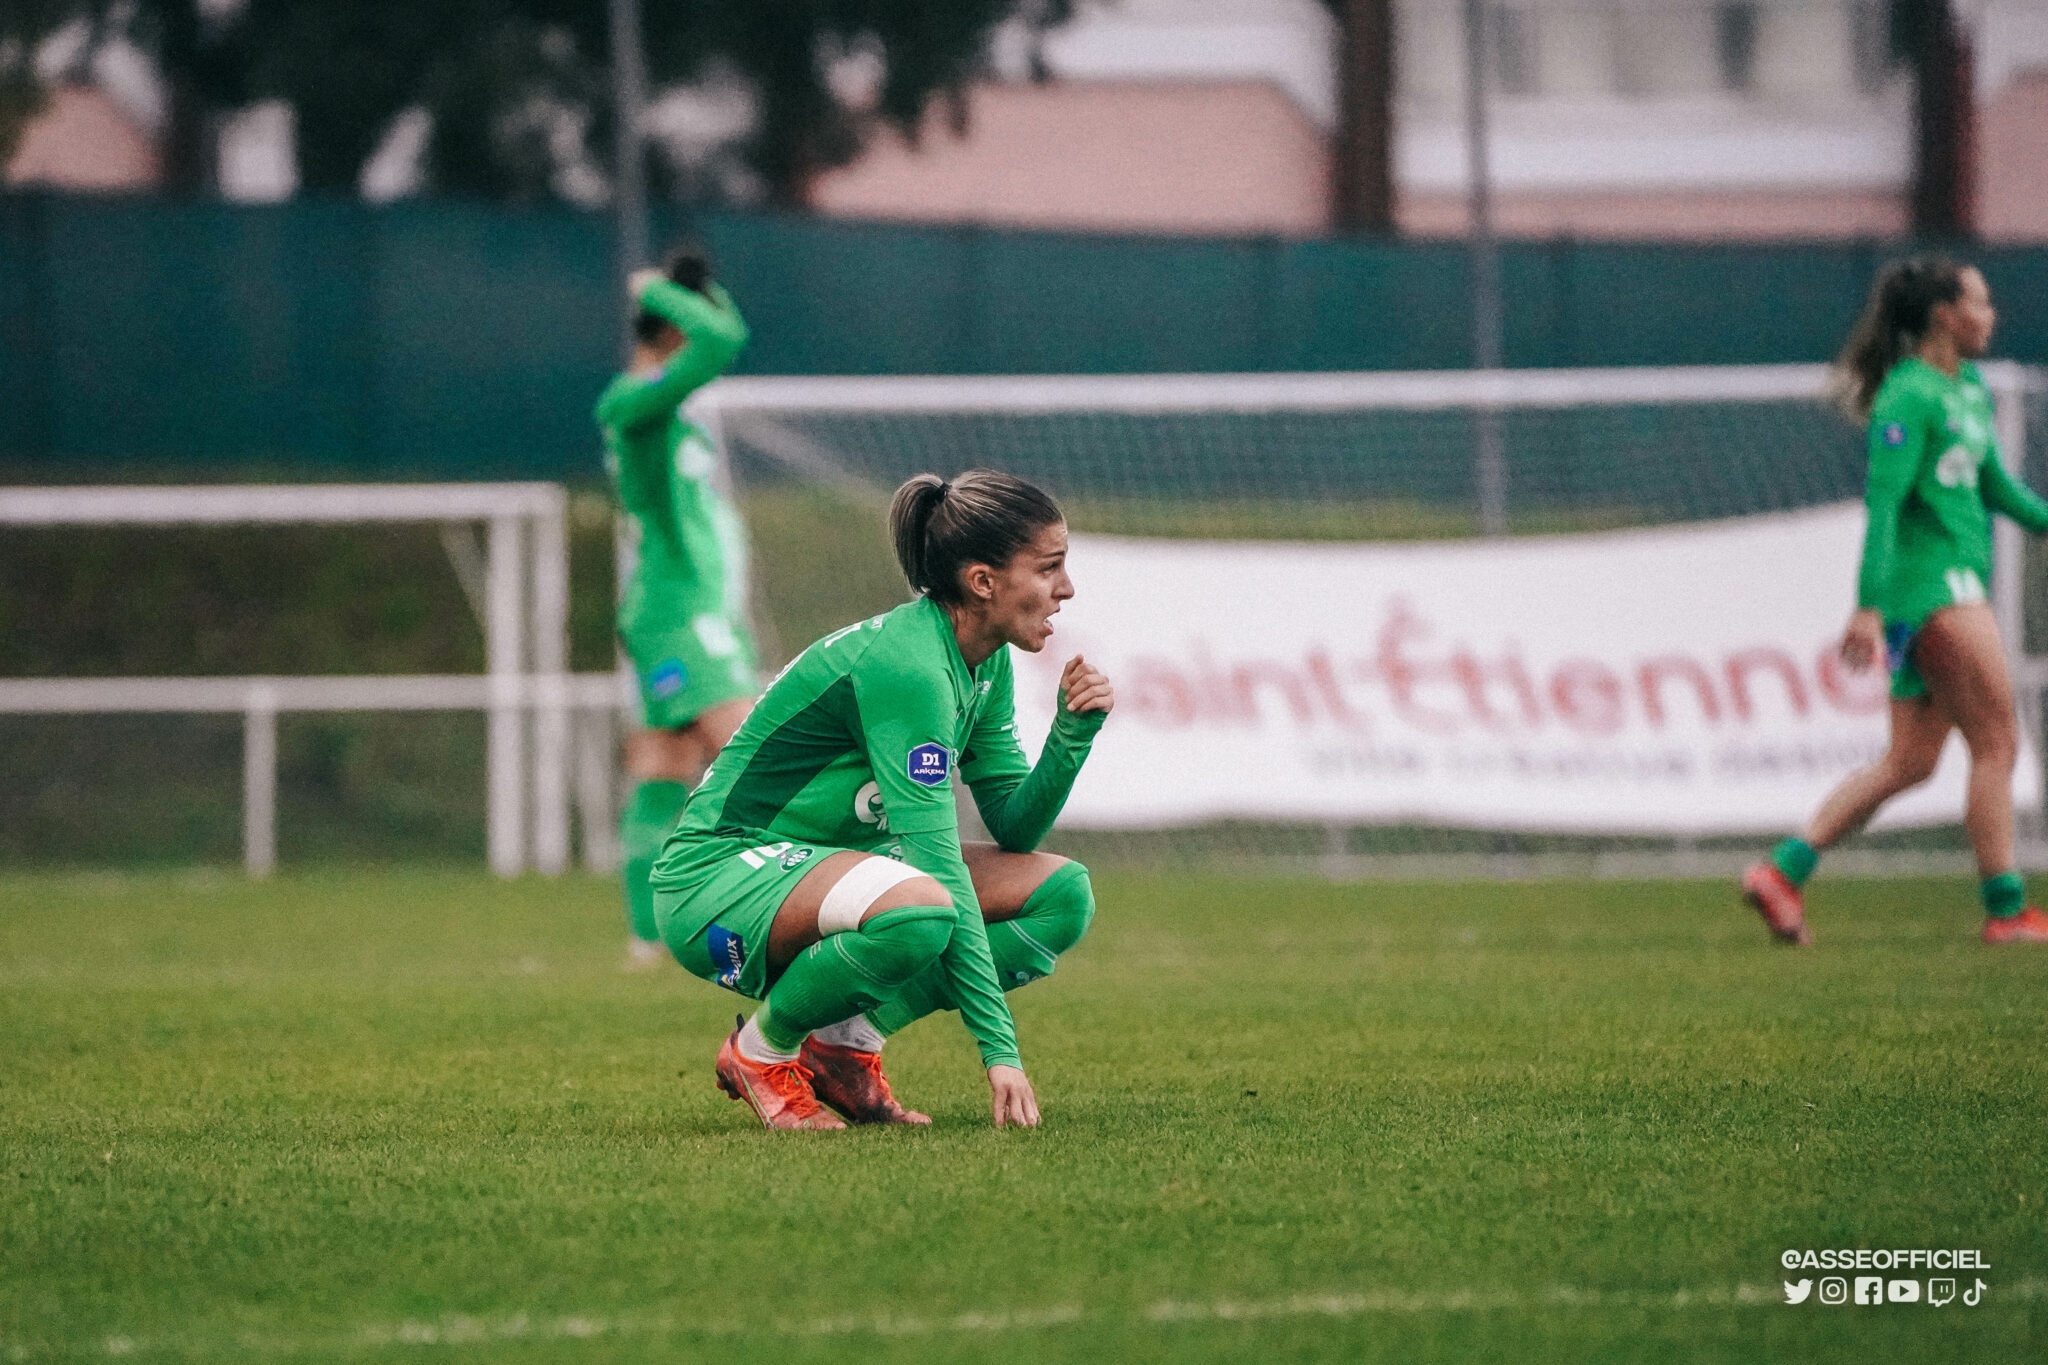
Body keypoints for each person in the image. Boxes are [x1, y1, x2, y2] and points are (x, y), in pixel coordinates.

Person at [649, 470, 1113, 1129]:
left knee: (1062, 896)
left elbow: (1014, 826)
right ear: (982, 581)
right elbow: (939, 870)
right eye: (1050, 567)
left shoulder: (984, 661)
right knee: (925, 909)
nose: (1066, 587)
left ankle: (844, 1045)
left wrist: (1070, 737)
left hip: (836, 869)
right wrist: (1000, 1052)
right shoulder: (911, 665)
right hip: (717, 878)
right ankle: (759, 1051)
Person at [1742, 255, 2048, 945]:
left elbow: (1995, 485)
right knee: (1998, 742)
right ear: (1946, 314)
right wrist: (1868, 607)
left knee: (1910, 762)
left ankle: (1782, 871)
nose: (1991, 314)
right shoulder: (1908, 395)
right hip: (1936, 590)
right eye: (1981, 302)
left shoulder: (1965, 386)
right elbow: (1883, 507)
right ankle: (2007, 911)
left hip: (1945, 590)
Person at [594, 247, 760, 967]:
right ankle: (784, 906)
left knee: (665, 762)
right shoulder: (632, 404)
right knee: (760, 749)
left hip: (693, 609)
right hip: (674, 610)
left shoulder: (671, 414)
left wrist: (689, 286)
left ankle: (647, 939)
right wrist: (661, 288)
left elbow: (721, 327)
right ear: (668, 334)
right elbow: (726, 339)